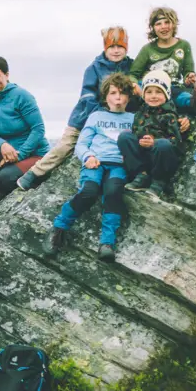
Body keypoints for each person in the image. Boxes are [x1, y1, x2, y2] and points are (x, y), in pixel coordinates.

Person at [16, 27, 133, 191]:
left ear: (126, 48)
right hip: (85, 117)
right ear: (105, 47)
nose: (116, 51)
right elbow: (88, 96)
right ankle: (33, 174)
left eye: (120, 47)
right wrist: (102, 114)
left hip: (118, 117)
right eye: (111, 47)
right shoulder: (94, 68)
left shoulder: (131, 66)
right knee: (64, 146)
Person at [44, 73, 136, 261]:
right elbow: (81, 143)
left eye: (122, 93)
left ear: (129, 97)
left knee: (113, 193)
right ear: (106, 96)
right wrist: (87, 157)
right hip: (95, 162)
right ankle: (58, 229)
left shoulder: (133, 119)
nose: (118, 97)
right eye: (113, 93)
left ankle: (107, 243)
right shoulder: (96, 117)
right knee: (89, 191)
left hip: (118, 165)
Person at [0, 56, 50, 207]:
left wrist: (19, 155)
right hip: (7, 152)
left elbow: (38, 129)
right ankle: (2, 191)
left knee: (5, 178)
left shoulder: (22, 96)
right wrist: (2, 145)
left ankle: (9, 188)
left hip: (34, 153)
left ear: (7, 75)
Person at [118, 70, 191, 199]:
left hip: (163, 159)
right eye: (149, 92)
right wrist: (142, 138)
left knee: (163, 144)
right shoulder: (141, 112)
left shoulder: (170, 114)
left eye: (158, 92)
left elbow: (175, 143)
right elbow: (136, 130)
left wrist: (154, 142)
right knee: (125, 137)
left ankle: (159, 182)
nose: (153, 96)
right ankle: (142, 175)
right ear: (143, 94)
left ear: (167, 94)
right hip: (144, 155)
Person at [129, 7, 196, 117]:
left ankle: (195, 104)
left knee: (181, 94)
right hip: (151, 86)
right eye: (158, 24)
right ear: (153, 28)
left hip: (172, 86)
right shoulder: (147, 49)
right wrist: (134, 84)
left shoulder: (184, 45)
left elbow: (188, 71)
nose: (163, 27)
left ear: (174, 24)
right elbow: (133, 74)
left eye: (167, 22)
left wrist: (189, 77)